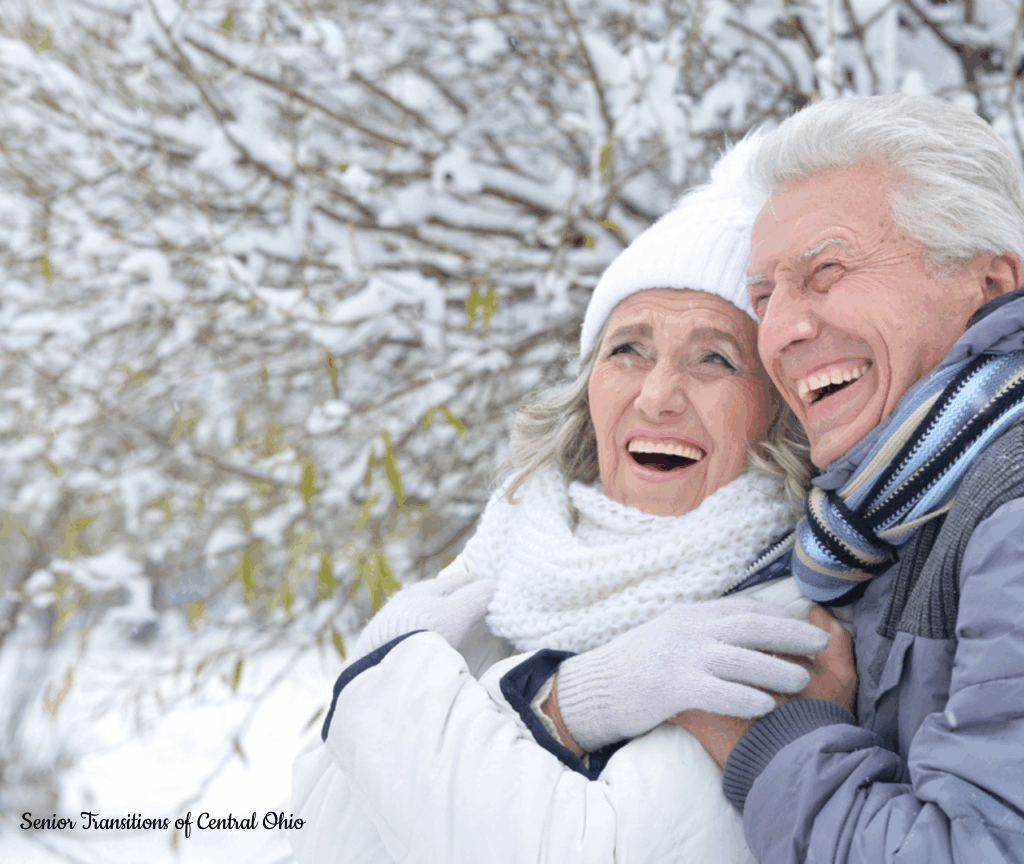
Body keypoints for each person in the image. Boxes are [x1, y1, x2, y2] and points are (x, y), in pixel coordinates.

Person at [289, 135, 832, 863]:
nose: (658, 395)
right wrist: (564, 700)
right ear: (587, 390)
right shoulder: (513, 551)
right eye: (627, 349)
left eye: (714, 358)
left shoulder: (776, 618)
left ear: (776, 413)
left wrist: (386, 678)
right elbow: (318, 808)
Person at [674, 93, 1024, 861]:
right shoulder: (883, 517)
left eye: (826, 271)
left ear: (992, 283)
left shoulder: (1011, 511)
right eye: (763, 299)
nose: (779, 332)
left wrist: (783, 742)